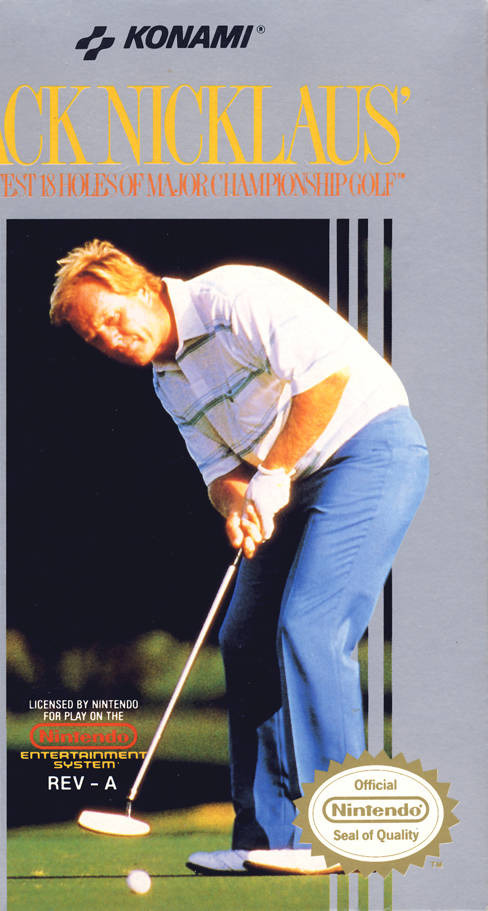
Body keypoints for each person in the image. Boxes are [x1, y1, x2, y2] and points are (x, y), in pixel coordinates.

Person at [49, 239, 429, 875]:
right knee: (246, 634)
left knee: (310, 627)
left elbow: (327, 378)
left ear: (141, 286)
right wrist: (238, 507)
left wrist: (272, 475)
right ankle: (265, 839)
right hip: (293, 479)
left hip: (369, 449)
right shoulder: (168, 380)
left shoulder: (233, 297)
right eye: (94, 338)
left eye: (111, 317)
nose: (110, 339)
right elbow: (220, 473)